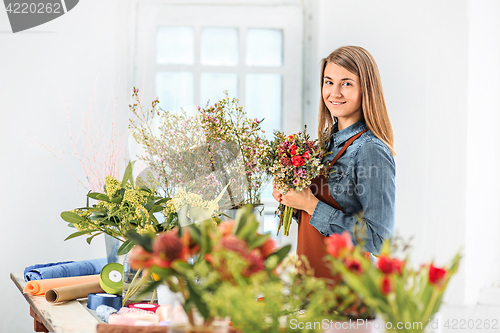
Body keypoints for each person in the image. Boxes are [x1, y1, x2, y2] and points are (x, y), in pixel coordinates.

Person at [272, 46, 396, 279]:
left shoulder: (371, 150)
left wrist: (311, 205)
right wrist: (290, 198)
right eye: (329, 82)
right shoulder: (324, 143)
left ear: (365, 89)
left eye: (347, 83)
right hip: (310, 285)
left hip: (346, 294)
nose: (334, 93)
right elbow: (320, 220)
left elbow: (380, 241)